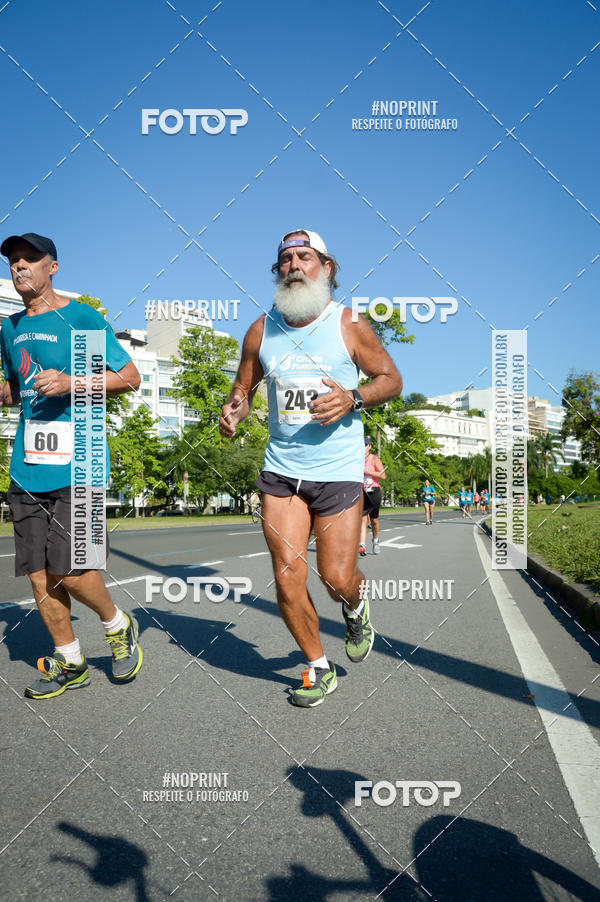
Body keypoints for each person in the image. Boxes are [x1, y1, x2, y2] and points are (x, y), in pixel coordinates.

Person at [219, 229, 403, 707]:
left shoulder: (349, 324)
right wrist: (234, 410)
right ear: (277, 271)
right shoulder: (261, 330)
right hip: (282, 472)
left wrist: (353, 397)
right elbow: (242, 387)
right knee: (286, 574)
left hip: (339, 472)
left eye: (305, 257)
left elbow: (391, 378)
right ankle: (318, 667)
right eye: (285, 259)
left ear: (326, 268)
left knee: (336, 577)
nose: (294, 265)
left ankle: (355, 604)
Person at [0, 232, 143, 699]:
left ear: (52, 267)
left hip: (79, 464)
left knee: (73, 570)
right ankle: (71, 660)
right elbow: (14, 390)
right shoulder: (10, 327)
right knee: (40, 575)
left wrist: (71, 382)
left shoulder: (80, 318)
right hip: (27, 465)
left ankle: (118, 625)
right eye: (13, 261)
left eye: (29, 260)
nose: (20, 267)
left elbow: (129, 377)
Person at [359, 435, 386, 554]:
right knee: (362, 518)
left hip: (374, 490)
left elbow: (383, 476)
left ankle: (375, 540)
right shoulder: (356, 459)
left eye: (365, 445)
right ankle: (362, 545)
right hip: (361, 490)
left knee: (374, 521)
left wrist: (369, 472)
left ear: (369, 446)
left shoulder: (374, 459)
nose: (363, 447)